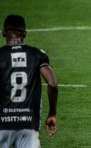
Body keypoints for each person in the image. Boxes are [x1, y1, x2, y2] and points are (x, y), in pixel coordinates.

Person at [0, 15, 58, 148]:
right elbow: (52, 84)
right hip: (28, 124)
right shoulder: (37, 54)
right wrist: (52, 113)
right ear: (25, 33)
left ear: (3, 33)